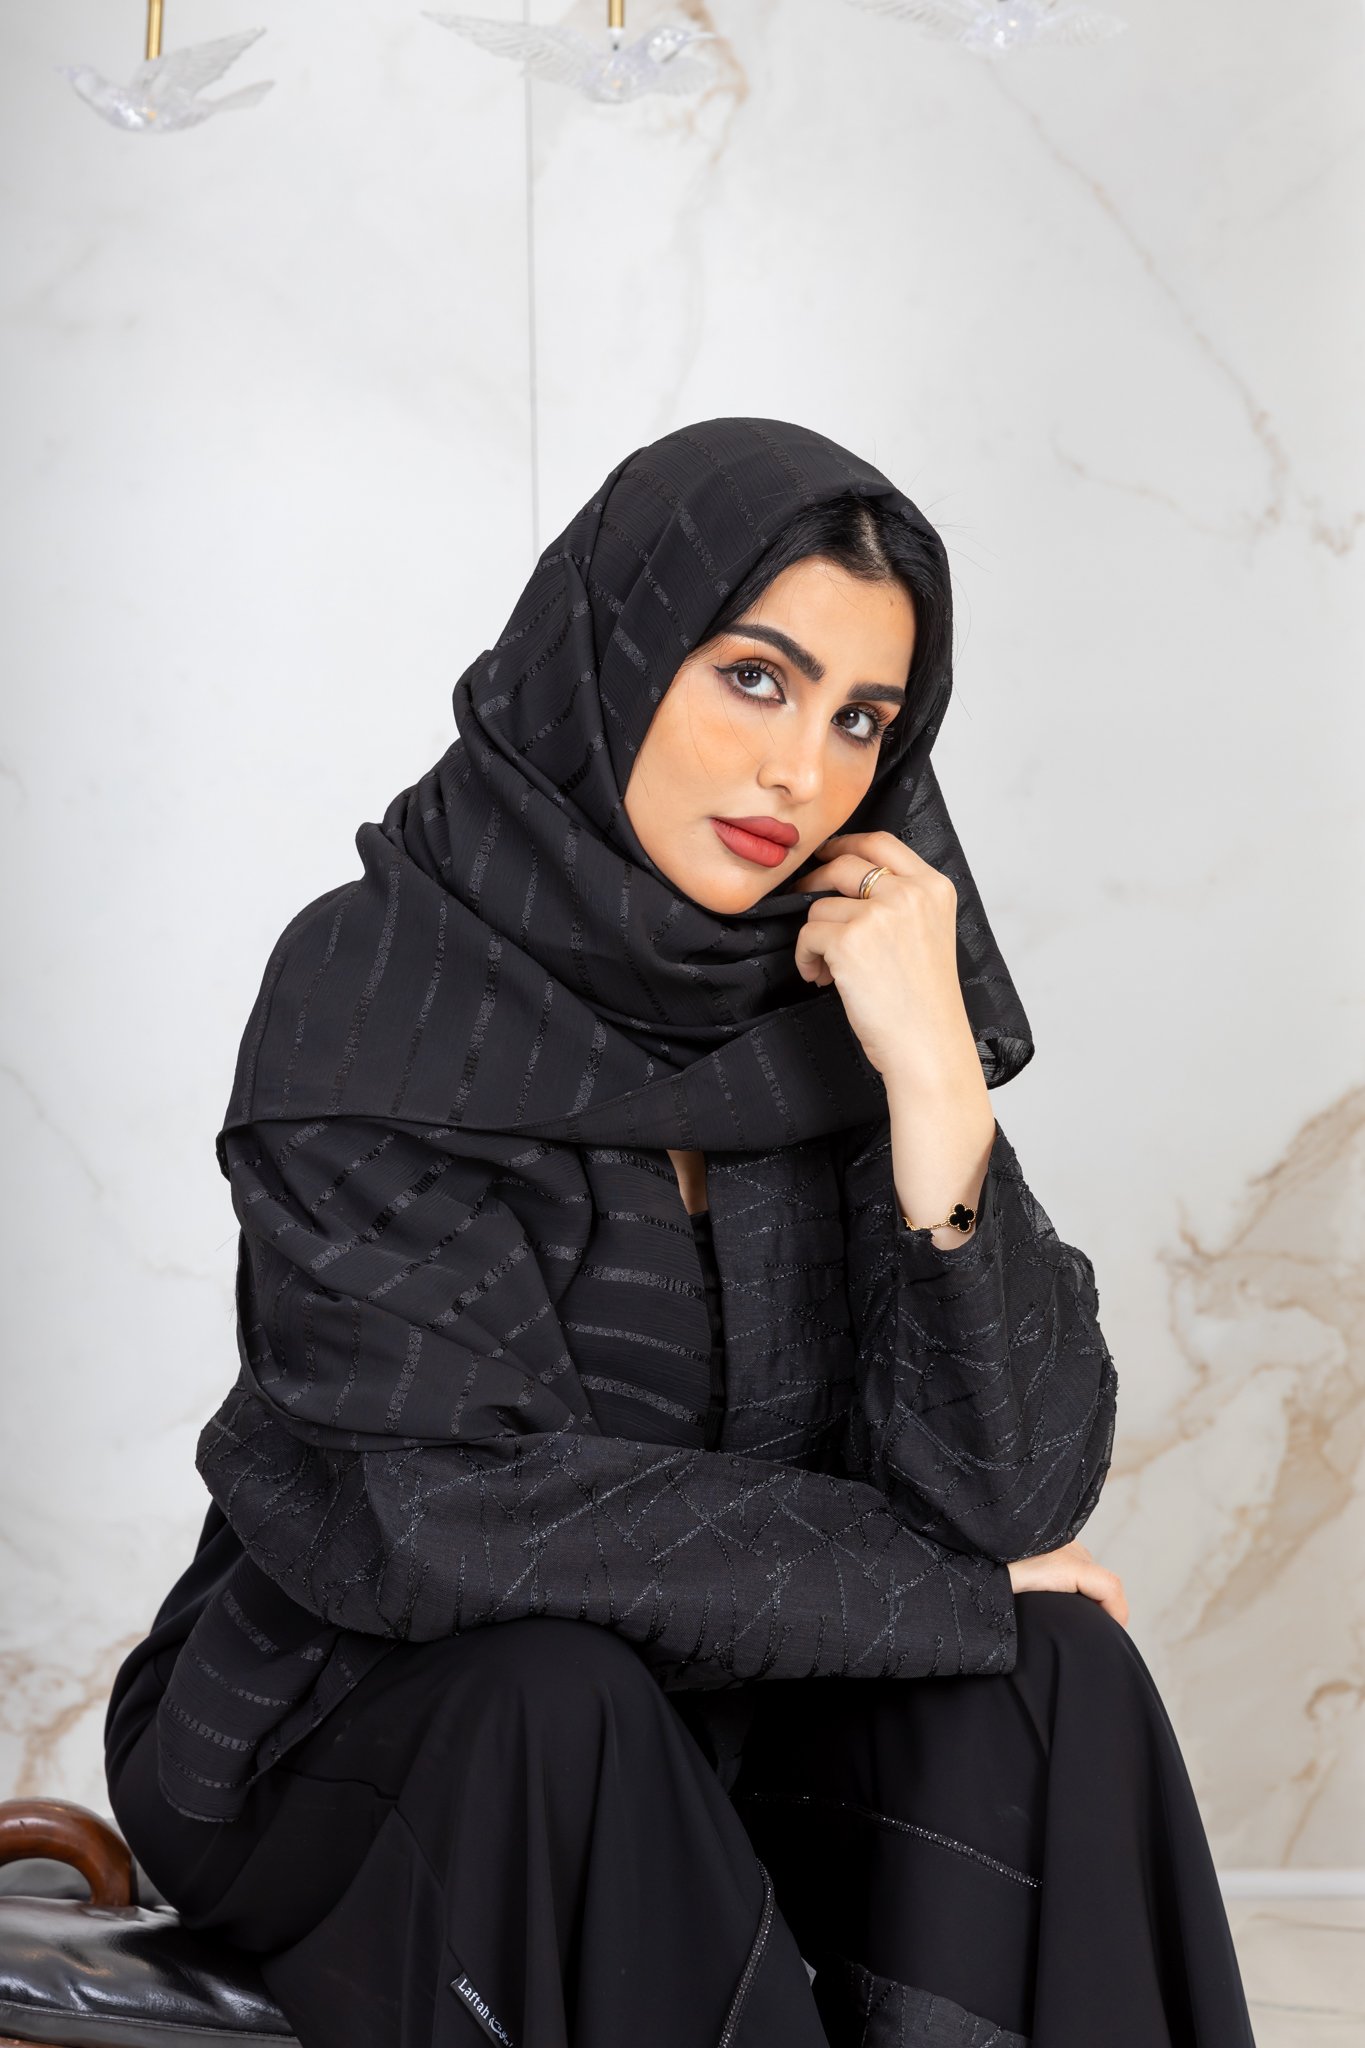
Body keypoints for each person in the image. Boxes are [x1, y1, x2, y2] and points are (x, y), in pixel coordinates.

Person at [102, 417, 1256, 2047]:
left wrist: (935, 1079)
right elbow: (448, 1518)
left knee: (1053, 1666)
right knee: (559, 1693)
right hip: (357, 1713)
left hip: (733, 1697)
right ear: (615, 655)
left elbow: (1012, 1499)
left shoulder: (830, 1000)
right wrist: (930, 1587)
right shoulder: (375, 982)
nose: (802, 773)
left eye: (861, 719)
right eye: (756, 678)